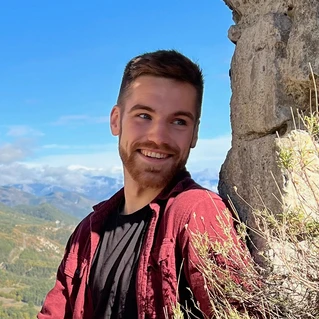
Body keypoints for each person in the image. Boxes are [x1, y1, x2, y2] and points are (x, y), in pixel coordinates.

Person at [38, 50, 251, 319]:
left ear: (195, 134)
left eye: (178, 121)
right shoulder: (88, 231)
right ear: (116, 120)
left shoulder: (197, 214)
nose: (157, 137)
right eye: (144, 116)